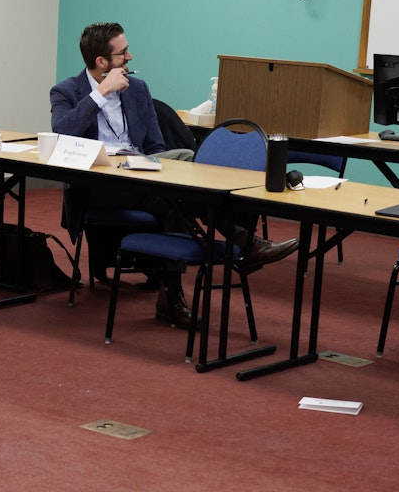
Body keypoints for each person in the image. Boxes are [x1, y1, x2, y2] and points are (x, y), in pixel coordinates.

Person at [50, 22, 292, 325]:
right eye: (123, 53)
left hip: (143, 177)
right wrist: (101, 92)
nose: (130, 57)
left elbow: (156, 146)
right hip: (99, 185)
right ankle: (243, 242)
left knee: (174, 196)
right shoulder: (66, 91)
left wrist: (144, 163)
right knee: (181, 182)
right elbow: (61, 133)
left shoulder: (137, 89)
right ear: (102, 62)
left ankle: (172, 294)